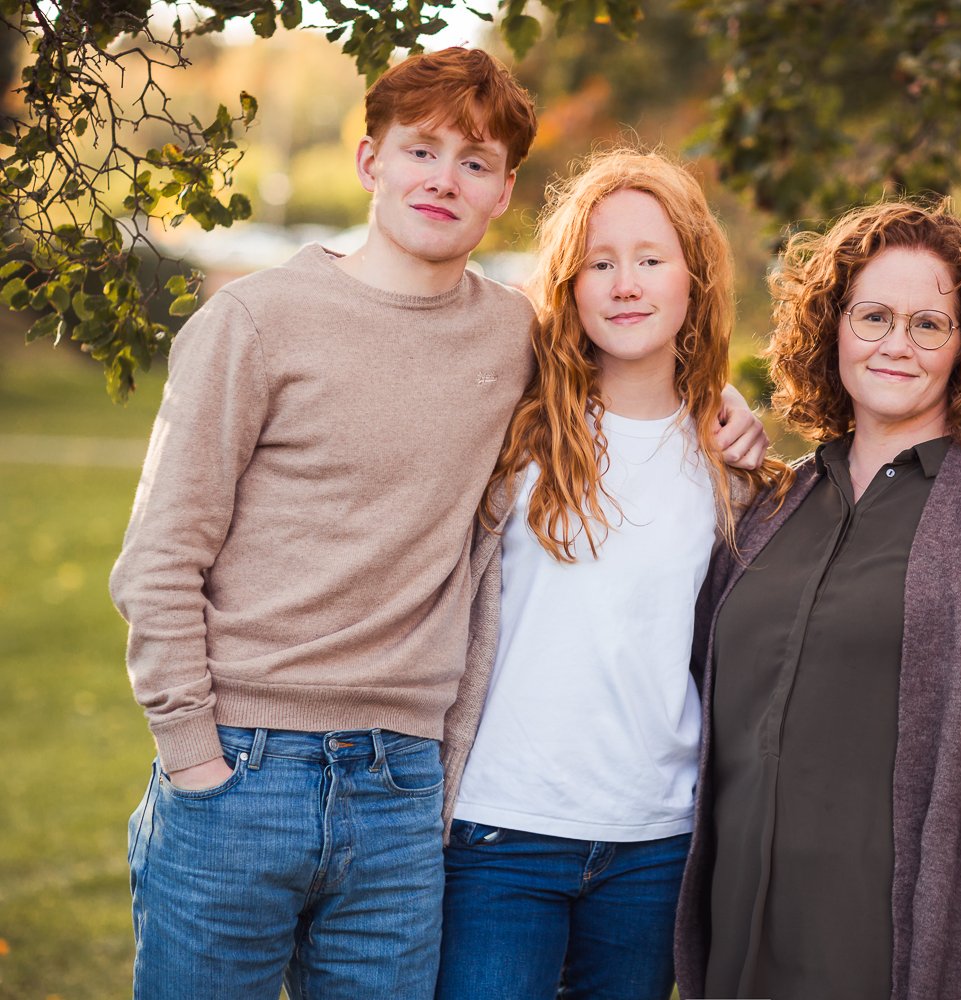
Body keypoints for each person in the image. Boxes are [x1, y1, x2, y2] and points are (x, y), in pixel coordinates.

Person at [110, 51, 765, 999]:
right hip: (244, 764)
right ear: (371, 158)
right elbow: (161, 558)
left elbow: (636, 357)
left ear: (504, 191)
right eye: (422, 150)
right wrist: (196, 759)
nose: (443, 179)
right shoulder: (255, 322)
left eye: (475, 162)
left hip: (403, 789)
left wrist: (722, 404)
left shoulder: (513, 340)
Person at [673, 202, 961, 1000]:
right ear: (833, 328)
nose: (897, 344)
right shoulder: (772, 504)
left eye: (930, 324)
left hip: (884, 930)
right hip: (740, 916)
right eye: (875, 316)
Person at [432, 149, 789, 1000]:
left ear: (693, 280)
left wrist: (740, 410)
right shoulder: (512, 437)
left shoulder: (732, 469)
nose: (625, 284)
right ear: (570, 286)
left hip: (652, 847)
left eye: (650, 259)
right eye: (600, 263)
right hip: (500, 835)